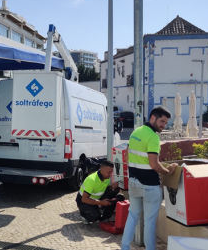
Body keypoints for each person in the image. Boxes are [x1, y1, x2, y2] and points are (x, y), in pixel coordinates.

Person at [121, 106, 178, 250]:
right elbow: (154, 164)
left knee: (132, 216)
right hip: (150, 186)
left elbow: (127, 156)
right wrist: (168, 171)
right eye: (162, 121)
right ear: (153, 117)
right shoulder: (153, 137)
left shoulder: (135, 132)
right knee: (150, 221)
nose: (163, 125)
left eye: (165, 123)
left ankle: (124, 247)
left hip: (133, 182)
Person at [76, 160, 121, 224]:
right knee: (96, 216)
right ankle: (84, 215)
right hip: (83, 202)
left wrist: (112, 187)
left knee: (115, 197)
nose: (111, 174)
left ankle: (105, 217)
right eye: (109, 172)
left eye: (111, 172)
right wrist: (101, 203)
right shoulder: (92, 180)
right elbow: (84, 199)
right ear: (102, 170)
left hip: (96, 198)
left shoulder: (106, 176)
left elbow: (103, 189)